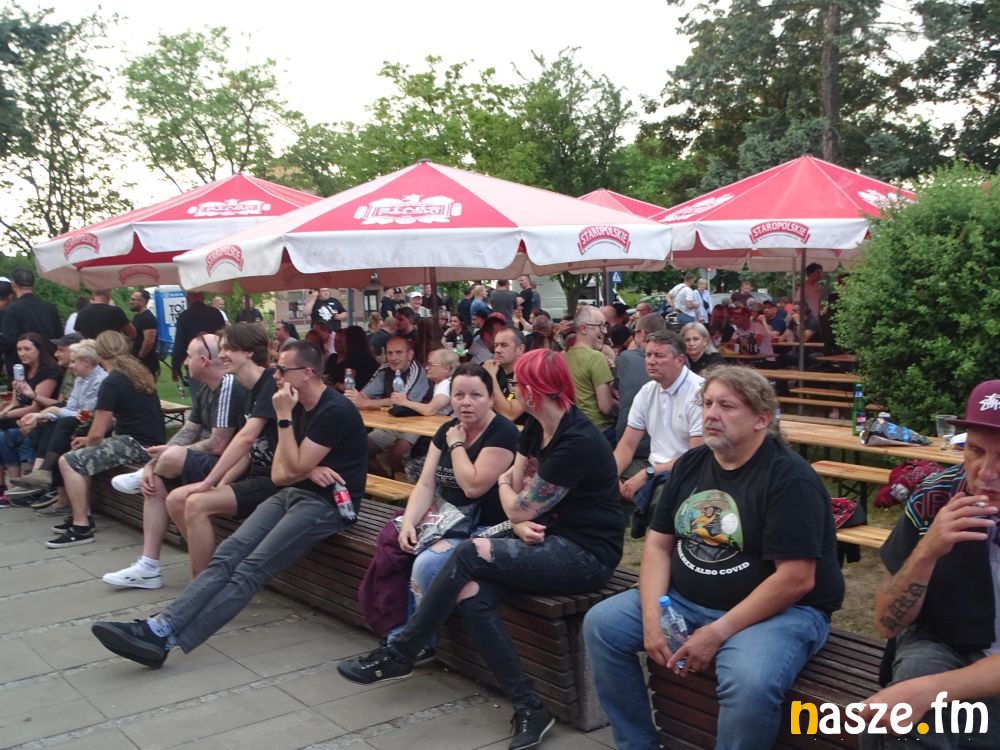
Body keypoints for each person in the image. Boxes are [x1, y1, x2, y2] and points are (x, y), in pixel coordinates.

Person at [338, 349, 625, 750]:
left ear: (532, 390)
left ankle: (402, 650)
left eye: (516, 384)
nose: (512, 390)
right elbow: (519, 498)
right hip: (541, 538)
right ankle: (530, 707)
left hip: (585, 555)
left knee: (470, 553)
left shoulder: (575, 440)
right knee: (472, 596)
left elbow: (516, 500)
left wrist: (512, 496)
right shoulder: (536, 427)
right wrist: (517, 507)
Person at [583, 367, 844, 750]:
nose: (711, 414)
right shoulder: (692, 463)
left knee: (748, 680)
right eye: (706, 404)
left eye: (726, 406)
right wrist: (652, 619)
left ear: (761, 419)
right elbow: (657, 545)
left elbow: (796, 579)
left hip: (781, 613)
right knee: (602, 626)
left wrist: (718, 632)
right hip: (685, 601)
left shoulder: (789, 478)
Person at [91, 338, 368, 669]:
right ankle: (159, 628)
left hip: (327, 504)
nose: (276, 375)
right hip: (292, 493)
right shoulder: (295, 406)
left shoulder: (332, 410)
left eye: (282, 369)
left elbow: (289, 468)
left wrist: (286, 426)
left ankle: (164, 636)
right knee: (228, 555)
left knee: (251, 569)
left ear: (307, 372)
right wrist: (305, 466)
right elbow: (280, 475)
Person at [861, 380, 1000, 748]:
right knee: (899, 714)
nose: (986, 473)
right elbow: (887, 624)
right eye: (976, 451)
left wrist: (932, 690)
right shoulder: (936, 496)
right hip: (948, 643)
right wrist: (927, 550)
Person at [367, 363, 518, 648]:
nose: (466, 402)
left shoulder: (502, 432)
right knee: (398, 543)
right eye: (459, 395)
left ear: (490, 399)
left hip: (484, 530)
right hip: (444, 520)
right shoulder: (448, 429)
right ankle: (398, 630)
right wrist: (410, 522)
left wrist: (457, 445)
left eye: (476, 395)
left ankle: (419, 644)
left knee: (426, 564)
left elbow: (473, 487)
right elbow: (426, 485)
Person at [100, 333, 245, 589]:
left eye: (188, 356)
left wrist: (169, 455)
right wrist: (152, 464)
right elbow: (189, 429)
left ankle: (204, 575)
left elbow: (218, 444)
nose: (184, 361)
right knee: (155, 482)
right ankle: (148, 567)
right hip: (211, 462)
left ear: (203, 361)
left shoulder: (228, 385)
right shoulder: (206, 388)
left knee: (174, 456)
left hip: (231, 467)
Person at [162, 323, 279, 578]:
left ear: (249, 352)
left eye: (228, 349)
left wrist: (209, 483)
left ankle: (202, 584)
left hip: (276, 482)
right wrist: (222, 483)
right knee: (175, 499)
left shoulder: (270, 384)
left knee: (195, 503)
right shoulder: (248, 389)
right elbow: (248, 451)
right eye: (222, 348)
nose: (222, 355)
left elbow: (245, 439)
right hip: (254, 476)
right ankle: (211, 574)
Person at [46, 331, 165, 548]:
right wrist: (87, 441)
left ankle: (81, 527)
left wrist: (88, 441)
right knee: (79, 456)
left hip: (135, 444)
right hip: (150, 440)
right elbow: (112, 419)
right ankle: (82, 517)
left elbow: (97, 432)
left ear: (99, 354)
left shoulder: (111, 381)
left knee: (69, 461)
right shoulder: (136, 372)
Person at [3, 336, 104, 506]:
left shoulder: (99, 381)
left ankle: (43, 473)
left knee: (62, 423)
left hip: (93, 425)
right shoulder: (80, 379)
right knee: (53, 421)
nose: (71, 366)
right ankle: (41, 474)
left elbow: (85, 415)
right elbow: (70, 407)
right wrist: (44, 415)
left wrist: (49, 413)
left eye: (74, 362)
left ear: (87, 362)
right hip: (78, 420)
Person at [614, 331, 704, 515]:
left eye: (659, 356)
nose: (651, 361)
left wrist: (649, 473)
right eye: (648, 355)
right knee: (597, 480)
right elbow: (627, 445)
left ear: (680, 360)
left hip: (686, 472)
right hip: (653, 465)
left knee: (661, 494)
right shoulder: (647, 391)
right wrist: (611, 475)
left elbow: (695, 457)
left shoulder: (700, 394)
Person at [346, 336, 430, 476]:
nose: (393, 357)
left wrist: (367, 403)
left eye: (399, 352)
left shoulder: (416, 369)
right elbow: (363, 395)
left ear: (410, 354)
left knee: (396, 453)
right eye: (389, 353)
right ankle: (387, 484)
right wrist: (358, 399)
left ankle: (404, 485)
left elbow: (403, 401)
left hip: (418, 422)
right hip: (392, 422)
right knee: (359, 449)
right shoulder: (385, 369)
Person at [0, 333, 61, 497]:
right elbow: (15, 402)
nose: (22, 353)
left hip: (38, 416)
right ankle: (4, 486)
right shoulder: (22, 371)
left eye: (27, 349)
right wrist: (4, 412)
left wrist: (5, 416)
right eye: (19, 349)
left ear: (39, 350)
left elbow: (34, 407)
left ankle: (15, 486)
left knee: (3, 437)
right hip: (20, 415)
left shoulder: (48, 372)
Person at [614, 313, 667, 449]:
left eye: (635, 333)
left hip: (632, 444)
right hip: (665, 442)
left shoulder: (625, 358)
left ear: (642, 334)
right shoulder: (680, 361)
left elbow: (616, 392)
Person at [564, 305, 616, 440]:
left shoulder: (561, 356)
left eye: (605, 326)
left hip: (572, 430)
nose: (605, 331)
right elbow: (606, 407)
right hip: (599, 431)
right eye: (600, 326)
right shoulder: (596, 357)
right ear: (584, 328)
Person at [0, 268, 61, 379]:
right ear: (33, 283)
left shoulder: (11, 310)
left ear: (13, 284)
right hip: (50, 365)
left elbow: (7, 340)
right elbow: (59, 336)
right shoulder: (49, 307)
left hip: (23, 369)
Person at [171, 292, 225, 383]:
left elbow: (179, 344)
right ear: (203, 297)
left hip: (195, 360)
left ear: (189, 298)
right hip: (216, 357)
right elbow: (223, 335)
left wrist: (176, 368)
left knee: (198, 389)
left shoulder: (184, 316)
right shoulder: (216, 313)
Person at [483, 327, 527, 424]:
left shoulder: (526, 376)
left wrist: (491, 377)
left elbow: (509, 414)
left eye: (504, 345)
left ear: (520, 349)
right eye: (496, 345)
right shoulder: (493, 369)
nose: (497, 350)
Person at [324, 325, 378, 392]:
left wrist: (337, 385)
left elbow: (348, 386)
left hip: (360, 393)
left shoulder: (353, 356)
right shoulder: (367, 355)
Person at [128, 289, 160, 378]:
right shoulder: (137, 316)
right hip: (137, 361)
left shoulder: (148, 318)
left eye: (133, 299)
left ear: (142, 301)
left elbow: (149, 341)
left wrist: (139, 358)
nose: (130, 302)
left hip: (147, 363)